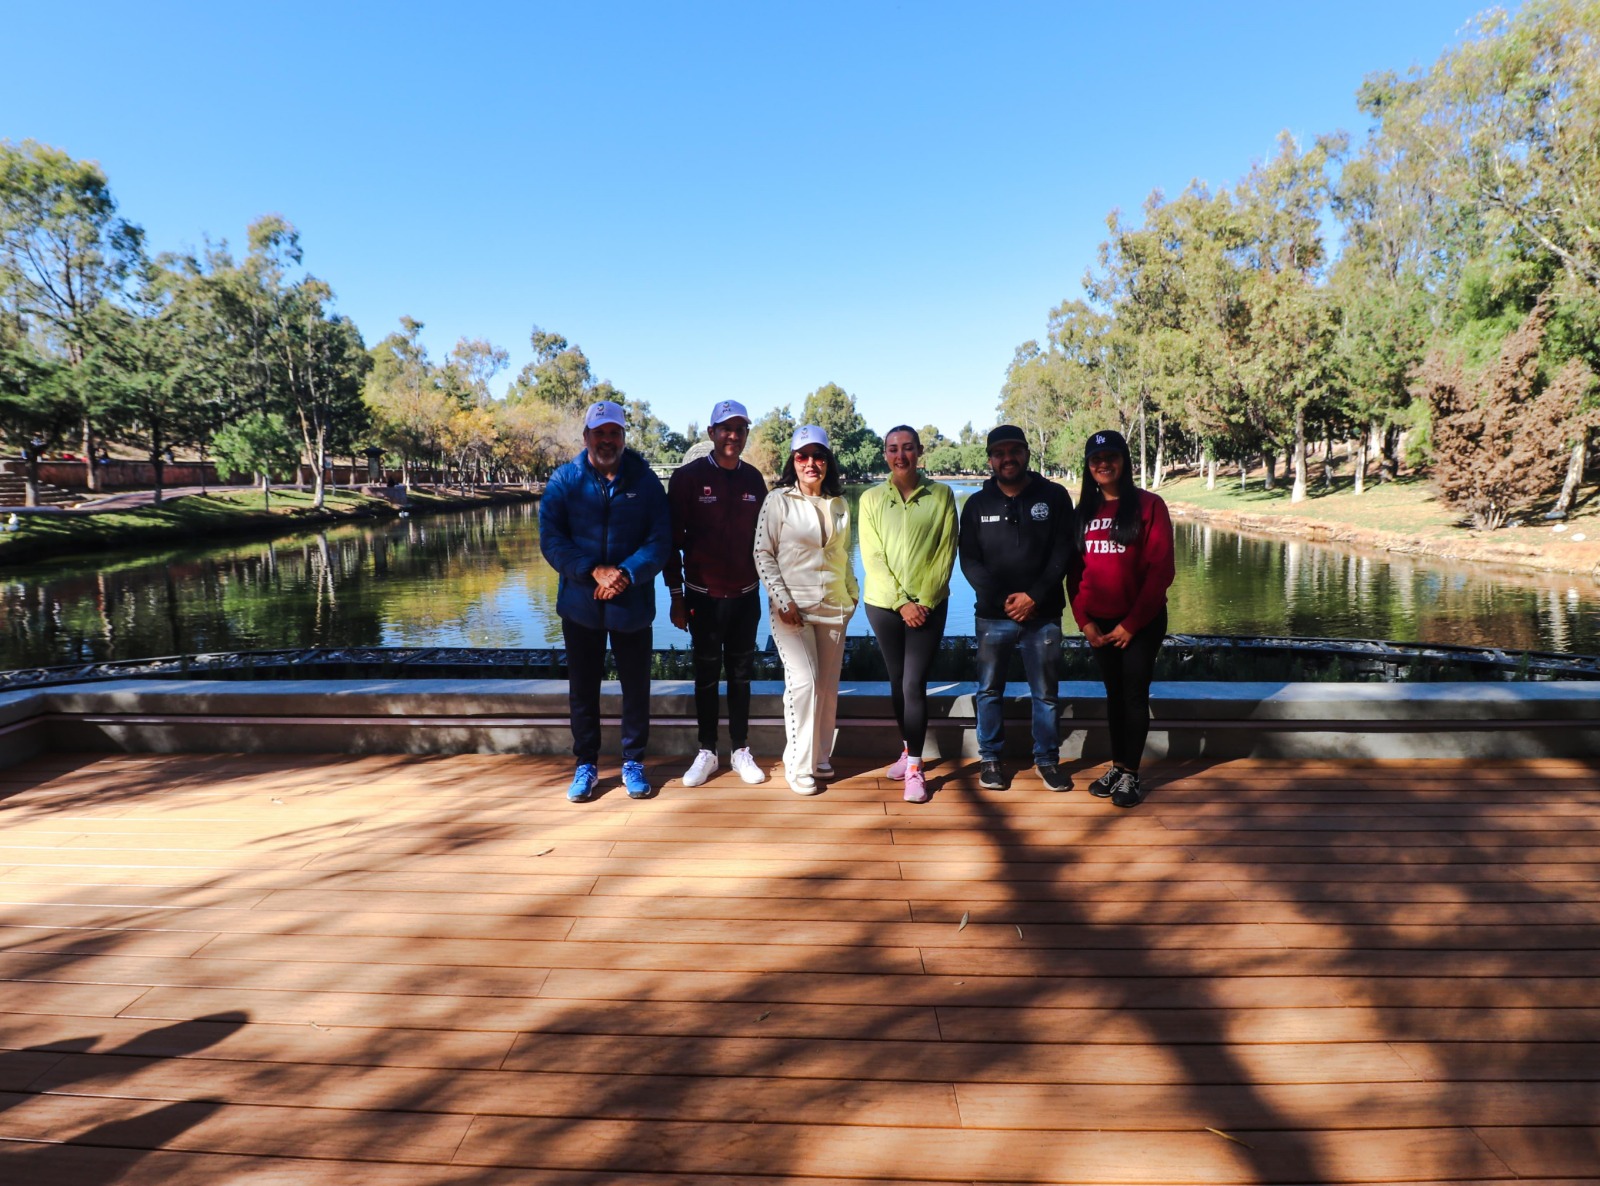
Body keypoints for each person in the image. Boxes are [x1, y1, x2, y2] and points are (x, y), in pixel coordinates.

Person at [538, 399, 671, 803]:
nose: (608, 440)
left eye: (614, 433)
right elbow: (552, 539)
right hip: (581, 603)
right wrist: (592, 570)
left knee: (635, 687)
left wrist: (626, 574)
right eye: (600, 433)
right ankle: (587, 764)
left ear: (624, 437)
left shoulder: (646, 482)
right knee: (582, 690)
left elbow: (660, 539)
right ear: (586, 437)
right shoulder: (564, 481)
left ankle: (633, 761)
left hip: (631, 603)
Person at [958, 425, 1076, 792]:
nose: (1007, 458)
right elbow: (969, 559)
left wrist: (1034, 597)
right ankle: (991, 759)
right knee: (989, 690)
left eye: (1014, 451)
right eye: (999, 453)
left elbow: (1063, 552)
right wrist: (1004, 601)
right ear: (990, 459)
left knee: (1045, 693)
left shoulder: (1054, 496)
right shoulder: (977, 504)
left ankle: (1048, 761)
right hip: (992, 617)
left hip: (1043, 616)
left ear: (1026, 453)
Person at [665, 399, 769, 787]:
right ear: (711, 433)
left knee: (742, 675)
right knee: (706, 676)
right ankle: (706, 751)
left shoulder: (754, 480)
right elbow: (670, 543)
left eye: (740, 428)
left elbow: (766, 543)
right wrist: (676, 596)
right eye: (725, 428)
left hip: (745, 597)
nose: (732, 435)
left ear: (745, 434)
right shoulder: (687, 478)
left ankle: (741, 749)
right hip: (702, 598)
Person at [1068, 428, 1175, 809]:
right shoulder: (1083, 513)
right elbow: (1074, 574)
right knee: (1114, 697)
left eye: (1111, 456)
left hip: (1140, 624)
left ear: (1124, 461)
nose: (1103, 463)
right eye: (1095, 458)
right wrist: (1085, 623)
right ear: (1088, 465)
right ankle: (1118, 765)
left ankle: (1131, 774)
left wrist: (1131, 624)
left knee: (1133, 695)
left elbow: (1161, 571)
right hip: (1099, 624)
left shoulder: (1149, 506)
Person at [753, 425, 858, 794]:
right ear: (792, 461)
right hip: (792, 611)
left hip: (835, 607)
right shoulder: (778, 501)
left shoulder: (839, 504)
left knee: (827, 688)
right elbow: (762, 554)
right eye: (802, 456)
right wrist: (782, 601)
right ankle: (798, 766)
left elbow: (843, 555)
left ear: (828, 460)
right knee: (804, 684)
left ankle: (819, 757)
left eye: (818, 456)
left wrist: (852, 593)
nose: (811, 463)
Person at [859, 425, 958, 803]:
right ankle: (907, 749)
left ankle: (915, 768)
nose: (900, 455)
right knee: (897, 680)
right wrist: (902, 602)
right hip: (884, 605)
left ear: (919, 451)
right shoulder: (870, 499)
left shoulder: (942, 495)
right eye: (892, 449)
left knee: (914, 684)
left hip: (929, 605)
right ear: (885, 454)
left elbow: (945, 554)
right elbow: (873, 557)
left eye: (907, 448)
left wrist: (925, 602)